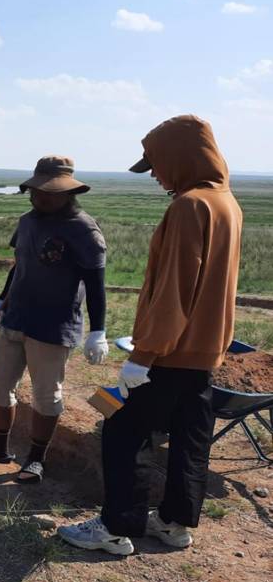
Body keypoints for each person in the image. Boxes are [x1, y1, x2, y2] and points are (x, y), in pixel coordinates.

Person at [59, 115, 243, 556]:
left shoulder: (189, 206)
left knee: (124, 431)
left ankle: (116, 528)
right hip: (202, 355)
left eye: (157, 164)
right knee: (190, 439)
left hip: (170, 354)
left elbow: (175, 289)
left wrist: (145, 355)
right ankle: (175, 524)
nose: (156, 175)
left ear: (180, 156)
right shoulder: (227, 203)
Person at [0, 155, 108, 483]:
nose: (40, 197)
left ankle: (36, 459)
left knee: (46, 395)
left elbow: (96, 285)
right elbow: (20, 265)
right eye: (36, 191)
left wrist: (98, 330)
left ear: (67, 193)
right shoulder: (28, 221)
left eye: (48, 192)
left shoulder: (84, 230)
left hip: (53, 327)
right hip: (15, 317)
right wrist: (1, 299)